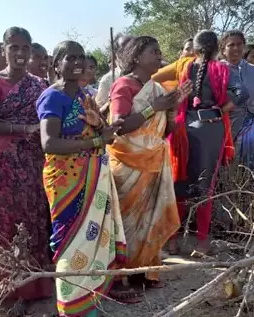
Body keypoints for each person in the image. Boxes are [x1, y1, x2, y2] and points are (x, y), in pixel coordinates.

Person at [37, 40, 129, 317]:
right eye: (69, 58)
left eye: (81, 57)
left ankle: (89, 301)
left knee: (93, 239)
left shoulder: (85, 97)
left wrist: (108, 131)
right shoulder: (52, 97)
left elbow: (94, 131)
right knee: (69, 240)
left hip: (94, 176)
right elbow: (49, 143)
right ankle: (71, 306)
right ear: (56, 64)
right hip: (68, 180)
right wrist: (98, 141)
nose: (77, 62)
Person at [0, 26, 52, 310]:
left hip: (33, 159)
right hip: (4, 158)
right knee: (4, 220)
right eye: (14, 48)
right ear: (4, 50)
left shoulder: (39, 83)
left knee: (32, 216)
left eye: (25, 48)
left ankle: (34, 286)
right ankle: (6, 289)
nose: (20, 53)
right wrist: (23, 128)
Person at [107, 35, 190, 287]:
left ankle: (144, 270)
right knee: (128, 221)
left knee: (150, 219)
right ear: (136, 57)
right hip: (127, 163)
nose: (159, 55)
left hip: (153, 161)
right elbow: (118, 128)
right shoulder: (124, 86)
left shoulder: (157, 89)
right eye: (153, 51)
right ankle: (122, 275)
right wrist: (152, 108)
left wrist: (173, 108)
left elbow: (162, 132)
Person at [167, 30, 241, 254]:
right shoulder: (223, 69)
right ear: (217, 47)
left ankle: (172, 238)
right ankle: (202, 241)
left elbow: (156, 77)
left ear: (195, 48)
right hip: (210, 128)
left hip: (182, 128)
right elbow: (240, 94)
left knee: (179, 180)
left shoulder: (184, 67)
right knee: (204, 184)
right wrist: (221, 109)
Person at [220, 30, 254, 186]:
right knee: (228, 175)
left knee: (253, 175)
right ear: (223, 49)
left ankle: (250, 207)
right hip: (227, 132)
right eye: (231, 45)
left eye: (239, 44)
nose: (236, 48)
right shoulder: (216, 70)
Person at [96, 33, 133, 109]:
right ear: (116, 54)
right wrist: (110, 103)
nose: (129, 52)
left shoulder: (145, 71)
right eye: (124, 49)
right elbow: (99, 110)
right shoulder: (107, 80)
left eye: (131, 47)